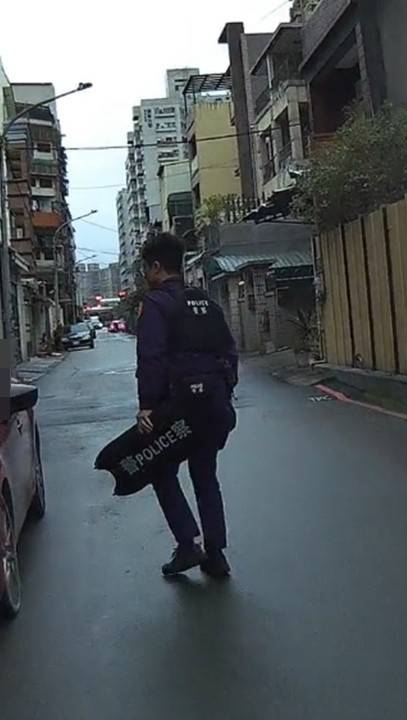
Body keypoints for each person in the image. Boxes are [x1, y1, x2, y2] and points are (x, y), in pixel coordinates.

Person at [136, 232, 239, 578]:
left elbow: (151, 358)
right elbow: (229, 352)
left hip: (177, 410)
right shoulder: (205, 302)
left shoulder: (155, 304)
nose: (145, 276)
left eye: (145, 269)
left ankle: (187, 545)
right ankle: (216, 554)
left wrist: (147, 406)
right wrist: (224, 390)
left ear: (156, 267)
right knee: (205, 474)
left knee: (161, 469)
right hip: (214, 407)